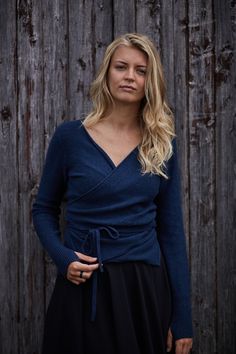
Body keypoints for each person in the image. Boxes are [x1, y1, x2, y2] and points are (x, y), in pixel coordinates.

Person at [32, 33, 193, 354]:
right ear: (107, 73)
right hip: (82, 284)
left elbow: (171, 232)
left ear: (151, 81)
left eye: (141, 70)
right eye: (122, 67)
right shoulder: (70, 137)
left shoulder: (161, 144)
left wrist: (183, 317)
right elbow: (43, 209)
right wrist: (63, 258)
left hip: (142, 288)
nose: (130, 76)